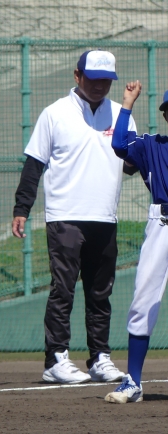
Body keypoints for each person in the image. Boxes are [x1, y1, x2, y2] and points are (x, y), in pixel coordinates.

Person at [12, 50, 136, 384]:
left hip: (105, 216)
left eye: (106, 80)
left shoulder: (120, 113)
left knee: (100, 293)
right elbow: (34, 165)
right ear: (77, 75)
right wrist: (22, 209)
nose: (99, 86)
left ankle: (100, 358)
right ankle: (56, 359)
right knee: (62, 290)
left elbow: (131, 164)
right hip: (65, 216)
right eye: (93, 78)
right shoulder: (55, 113)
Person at [105, 85, 168, 403]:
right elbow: (119, 144)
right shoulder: (152, 145)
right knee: (143, 300)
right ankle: (132, 382)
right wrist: (127, 104)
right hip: (162, 224)